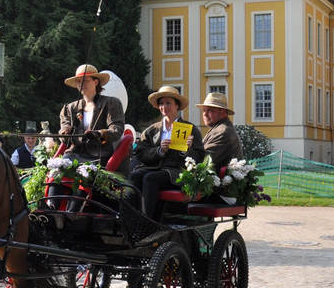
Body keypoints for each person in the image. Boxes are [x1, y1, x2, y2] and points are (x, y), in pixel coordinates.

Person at [130, 86, 205, 219]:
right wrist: (159, 150)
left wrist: (187, 151)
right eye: (161, 103)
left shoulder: (190, 129)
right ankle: (130, 217)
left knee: (150, 179)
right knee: (135, 176)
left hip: (177, 172)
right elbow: (141, 153)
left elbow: (199, 158)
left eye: (168, 103)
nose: (164, 106)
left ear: (177, 106)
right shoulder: (151, 130)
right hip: (154, 168)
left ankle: (147, 221)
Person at [58, 64, 125, 165]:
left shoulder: (110, 103)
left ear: (96, 82)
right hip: (75, 154)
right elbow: (64, 129)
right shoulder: (70, 108)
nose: (81, 84)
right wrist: (65, 132)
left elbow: (116, 129)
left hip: (99, 155)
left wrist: (99, 134)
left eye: (85, 80)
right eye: (79, 81)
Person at [194, 92, 243, 171]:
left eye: (210, 110)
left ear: (223, 112)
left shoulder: (222, 132)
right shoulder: (218, 128)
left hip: (221, 182)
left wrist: (189, 148)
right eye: (204, 110)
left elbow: (203, 162)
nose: (205, 114)